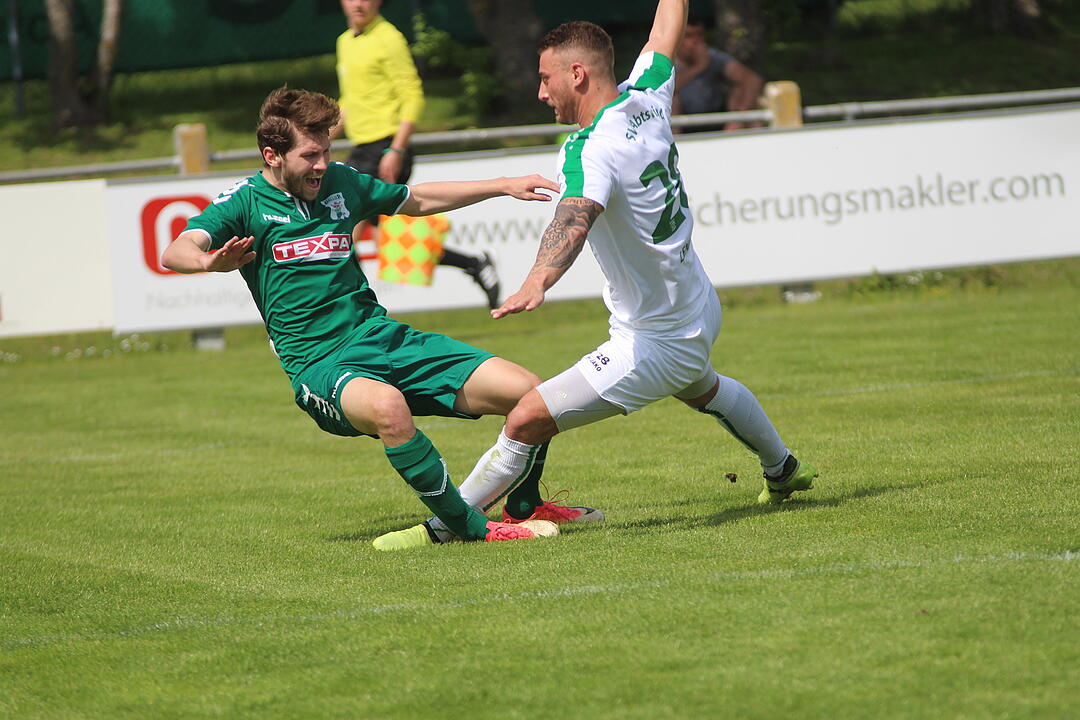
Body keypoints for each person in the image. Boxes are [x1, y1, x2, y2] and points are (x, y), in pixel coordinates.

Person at [374, 0, 818, 550]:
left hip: (655, 339)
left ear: (577, 74)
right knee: (703, 387)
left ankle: (444, 529)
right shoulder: (647, 94)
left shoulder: (589, 149)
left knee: (526, 417)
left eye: (546, 78)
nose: (541, 92)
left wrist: (537, 280)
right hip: (695, 303)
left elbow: (574, 218)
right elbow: (665, 30)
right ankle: (784, 470)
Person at [161, 86, 565, 550]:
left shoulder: (340, 181)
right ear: (272, 155)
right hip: (319, 365)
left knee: (531, 394)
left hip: (381, 336)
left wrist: (502, 185)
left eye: (326, 151)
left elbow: (416, 199)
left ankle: (525, 505)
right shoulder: (244, 202)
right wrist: (208, 261)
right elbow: (177, 250)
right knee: (389, 408)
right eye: (310, 155)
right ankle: (471, 528)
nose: (322, 165)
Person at [332, 0, 501, 308]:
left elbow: (412, 95)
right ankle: (473, 264)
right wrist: (319, 138)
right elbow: (349, 101)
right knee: (393, 238)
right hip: (362, 148)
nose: (359, 3)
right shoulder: (345, 41)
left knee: (346, 229)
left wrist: (397, 149)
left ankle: (349, 311)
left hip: (385, 146)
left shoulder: (389, 38)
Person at [673, 16, 764, 131]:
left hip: (716, 118)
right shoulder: (668, 59)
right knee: (673, 99)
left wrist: (741, 115)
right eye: (688, 36)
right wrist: (699, 67)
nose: (695, 41)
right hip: (680, 122)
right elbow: (665, 87)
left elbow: (753, 80)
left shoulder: (712, 56)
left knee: (741, 93)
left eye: (699, 35)